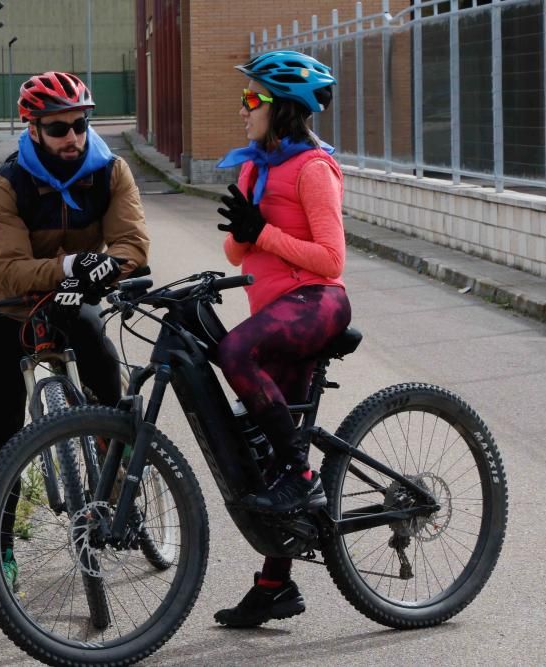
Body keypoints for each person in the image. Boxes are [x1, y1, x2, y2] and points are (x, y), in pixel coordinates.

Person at [0, 71, 150, 590]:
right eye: (58, 129)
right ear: (33, 129)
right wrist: (76, 263)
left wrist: (105, 268)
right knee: (2, 434)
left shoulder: (111, 172)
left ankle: (119, 500)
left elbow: (133, 248)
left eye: (79, 125)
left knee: (110, 395)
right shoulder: (7, 185)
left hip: (71, 304)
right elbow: (10, 269)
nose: (72, 138)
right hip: (5, 309)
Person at [210, 51, 351, 628]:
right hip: (278, 309)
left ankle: (304, 471)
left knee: (234, 351)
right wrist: (247, 233)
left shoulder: (314, 168)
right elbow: (238, 253)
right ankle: (274, 588)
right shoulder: (253, 168)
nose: (243, 110)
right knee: (265, 450)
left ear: (282, 108)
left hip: (318, 304)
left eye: (252, 99)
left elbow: (331, 258)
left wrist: (263, 231)